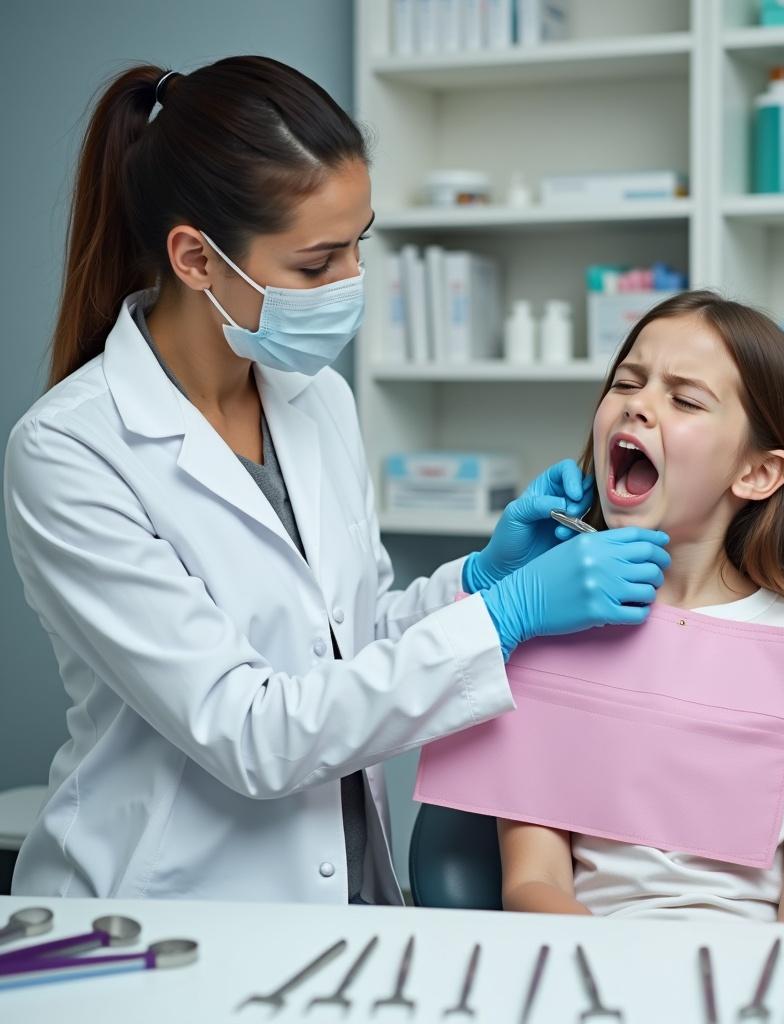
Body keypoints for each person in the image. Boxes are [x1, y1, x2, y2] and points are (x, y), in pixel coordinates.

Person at [4, 57, 670, 903]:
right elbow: (252, 729)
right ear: (196, 259)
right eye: (317, 266)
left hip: (347, 887)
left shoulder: (317, 398)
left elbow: (351, 640)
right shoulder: (71, 450)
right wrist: (507, 619)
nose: (352, 283)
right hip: (173, 906)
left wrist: (481, 579)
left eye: (361, 244)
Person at [496, 291, 784, 924]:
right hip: (587, 965)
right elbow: (533, 881)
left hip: (765, 974)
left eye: (685, 400)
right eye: (628, 382)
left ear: (758, 473)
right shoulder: (546, 617)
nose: (638, 403)